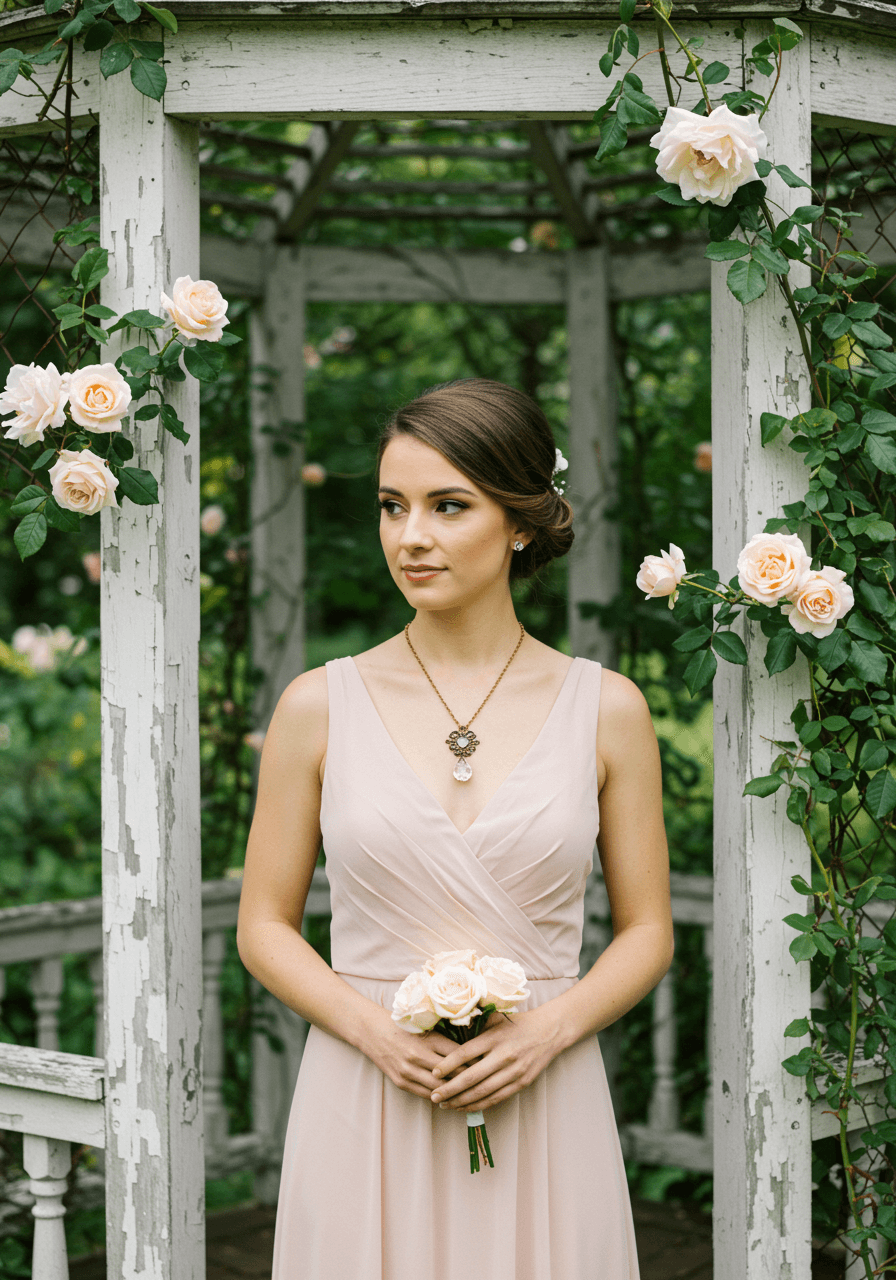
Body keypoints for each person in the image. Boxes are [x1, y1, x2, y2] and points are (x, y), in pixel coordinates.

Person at [237, 377, 674, 1279]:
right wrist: (376, 1035)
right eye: (393, 507)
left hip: (543, 1090)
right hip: (367, 1089)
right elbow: (263, 927)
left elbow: (648, 931)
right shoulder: (318, 706)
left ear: (520, 521)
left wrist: (547, 1033)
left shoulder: (608, 709)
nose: (411, 537)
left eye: (448, 506)